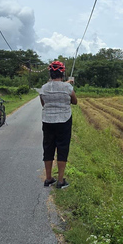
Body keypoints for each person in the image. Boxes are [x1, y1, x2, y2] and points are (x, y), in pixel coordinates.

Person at [39, 61, 77, 189]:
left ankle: (48, 178)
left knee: (48, 147)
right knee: (62, 148)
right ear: (62, 73)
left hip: (47, 121)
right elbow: (74, 101)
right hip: (64, 120)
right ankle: (60, 181)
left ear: (50, 73)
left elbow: (43, 103)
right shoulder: (68, 88)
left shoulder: (44, 88)